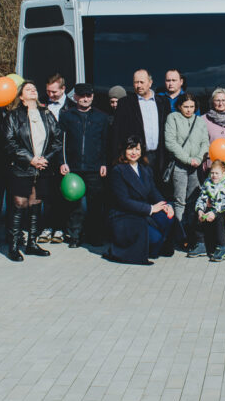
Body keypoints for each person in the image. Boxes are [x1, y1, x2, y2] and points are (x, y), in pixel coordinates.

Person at [2, 81, 62, 261]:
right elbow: (9, 141)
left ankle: (32, 244)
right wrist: (30, 159)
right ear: (21, 96)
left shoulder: (46, 114)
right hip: (22, 167)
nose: (33, 91)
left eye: (34, 89)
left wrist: (46, 158)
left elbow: (57, 139)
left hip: (42, 167)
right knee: (19, 203)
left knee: (36, 203)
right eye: (28, 89)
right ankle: (13, 246)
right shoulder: (14, 116)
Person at [105, 137, 174, 265]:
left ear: (142, 151)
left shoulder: (145, 169)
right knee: (154, 237)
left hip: (142, 212)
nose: (134, 152)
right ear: (124, 151)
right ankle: (145, 249)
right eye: (130, 149)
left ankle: (155, 248)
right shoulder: (118, 171)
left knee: (167, 218)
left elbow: (153, 191)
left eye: (137, 149)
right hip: (124, 215)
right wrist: (151, 209)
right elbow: (123, 201)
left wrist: (165, 205)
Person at [59, 83, 111, 248]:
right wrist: (63, 162)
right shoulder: (67, 116)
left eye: (88, 96)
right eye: (82, 96)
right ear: (75, 97)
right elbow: (61, 142)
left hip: (94, 168)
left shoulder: (101, 117)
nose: (85, 99)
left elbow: (105, 142)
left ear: (93, 97)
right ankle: (75, 236)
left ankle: (94, 236)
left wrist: (104, 163)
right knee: (74, 205)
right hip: (73, 168)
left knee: (95, 204)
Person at [164, 93, 209, 254]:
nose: (189, 110)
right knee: (179, 201)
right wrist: (188, 159)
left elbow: (205, 142)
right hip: (180, 165)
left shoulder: (200, 121)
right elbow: (170, 142)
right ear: (179, 106)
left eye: (191, 107)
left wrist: (198, 158)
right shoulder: (173, 118)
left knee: (193, 200)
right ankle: (180, 235)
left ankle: (192, 235)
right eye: (185, 106)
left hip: (196, 165)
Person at [111, 69, 171, 177]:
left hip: (159, 157)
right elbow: (117, 133)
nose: (138, 85)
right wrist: (118, 158)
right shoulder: (125, 103)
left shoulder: (163, 102)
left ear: (150, 83)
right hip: (136, 157)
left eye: (142, 82)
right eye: (136, 82)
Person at [41, 74, 73, 244]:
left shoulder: (71, 106)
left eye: (54, 92)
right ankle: (47, 227)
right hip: (45, 155)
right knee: (47, 194)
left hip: (64, 155)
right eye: (48, 91)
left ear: (63, 89)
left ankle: (60, 228)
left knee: (62, 194)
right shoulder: (41, 104)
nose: (50, 95)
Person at [195, 159, 225, 262]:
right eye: (212, 173)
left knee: (220, 217)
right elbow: (202, 197)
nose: (214, 176)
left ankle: (221, 248)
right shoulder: (208, 182)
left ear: (223, 173)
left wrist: (214, 212)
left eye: (217, 173)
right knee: (197, 213)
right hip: (212, 208)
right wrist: (200, 210)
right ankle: (201, 244)